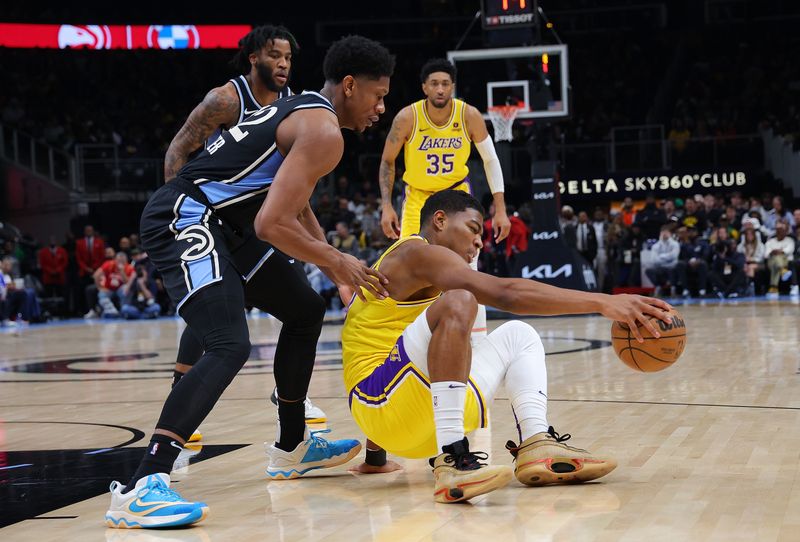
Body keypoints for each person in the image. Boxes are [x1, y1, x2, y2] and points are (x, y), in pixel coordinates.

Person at [105, 35, 395, 529]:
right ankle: (142, 484)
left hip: (225, 224)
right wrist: (340, 261)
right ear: (349, 86)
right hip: (188, 214)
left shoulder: (305, 111)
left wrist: (331, 268)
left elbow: (293, 208)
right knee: (228, 343)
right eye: (378, 95)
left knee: (304, 311)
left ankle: (291, 446)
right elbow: (271, 225)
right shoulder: (325, 132)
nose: (381, 108)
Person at [342, 190, 673, 503]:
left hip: (409, 415)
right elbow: (506, 294)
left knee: (520, 335)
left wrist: (376, 457)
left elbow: (389, 348)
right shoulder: (415, 253)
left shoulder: (429, 273)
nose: (478, 241)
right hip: (379, 403)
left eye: (481, 236)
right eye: (473, 228)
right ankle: (453, 457)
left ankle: (535, 443)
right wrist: (603, 302)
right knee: (461, 302)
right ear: (439, 221)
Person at [162, 25, 325, 430]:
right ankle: (180, 395)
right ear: (254, 58)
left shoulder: (294, 107)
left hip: (264, 217)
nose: (284, 63)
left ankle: (289, 397)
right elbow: (179, 149)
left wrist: (324, 251)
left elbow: (297, 191)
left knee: (301, 302)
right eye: (275, 55)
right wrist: (179, 221)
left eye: (288, 57)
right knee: (218, 312)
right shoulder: (225, 99)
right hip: (214, 214)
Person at [378, 58, 511, 346]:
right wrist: (386, 205)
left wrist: (500, 208)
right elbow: (388, 162)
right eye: (434, 83)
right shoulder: (407, 117)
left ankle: (477, 342)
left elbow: (490, 160)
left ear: (453, 87)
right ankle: (405, 341)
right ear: (424, 87)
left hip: (456, 200)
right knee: (409, 268)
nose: (440, 89)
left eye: (446, 84)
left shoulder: (469, 115)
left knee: (468, 268)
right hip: (418, 199)